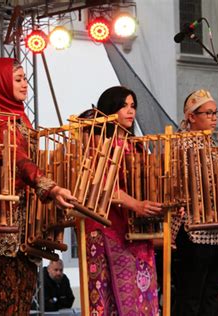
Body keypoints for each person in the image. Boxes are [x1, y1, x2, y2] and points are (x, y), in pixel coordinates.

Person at [0, 57, 75, 315]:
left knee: (22, 302)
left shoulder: (20, 119)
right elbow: (19, 161)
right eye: (18, 79)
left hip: (26, 226)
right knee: (3, 303)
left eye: (25, 79)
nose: (25, 85)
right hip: (1, 226)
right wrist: (50, 187)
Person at [85, 86, 162, 315]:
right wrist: (136, 205)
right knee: (106, 300)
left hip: (137, 232)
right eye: (123, 106)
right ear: (109, 109)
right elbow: (102, 185)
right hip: (107, 228)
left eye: (133, 106)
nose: (130, 111)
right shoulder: (98, 142)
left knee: (141, 299)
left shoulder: (137, 145)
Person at [171, 89, 218, 316]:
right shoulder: (180, 144)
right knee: (191, 295)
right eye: (208, 113)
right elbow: (185, 184)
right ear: (191, 116)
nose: (214, 117)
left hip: (217, 228)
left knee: (212, 295)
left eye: (216, 113)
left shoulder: (212, 144)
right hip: (193, 227)